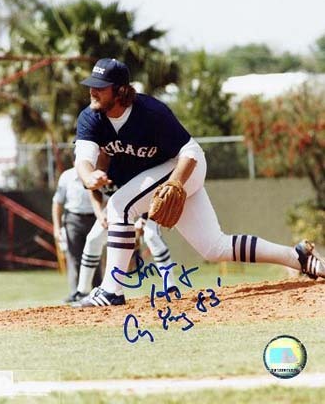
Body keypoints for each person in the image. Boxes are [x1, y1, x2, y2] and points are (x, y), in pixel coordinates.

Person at [74, 57, 325, 307]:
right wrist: (88, 176)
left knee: (120, 206)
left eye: (100, 86)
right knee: (214, 248)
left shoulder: (150, 113)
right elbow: (83, 159)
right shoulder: (91, 118)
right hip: (158, 179)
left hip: (185, 169)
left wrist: (174, 184)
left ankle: (110, 291)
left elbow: (191, 152)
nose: (92, 91)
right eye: (92, 85)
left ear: (120, 90)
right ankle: (298, 258)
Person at [74, 188, 178, 306]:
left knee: (151, 235)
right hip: (119, 204)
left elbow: (148, 188)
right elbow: (92, 189)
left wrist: (143, 221)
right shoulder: (93, 173)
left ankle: (170, 287)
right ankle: (81, 292)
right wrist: (99, 213)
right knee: (93, 238)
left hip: (149, 200)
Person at [52, 165, 99, 302]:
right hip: (73, 219)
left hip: (94, 218)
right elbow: (57, 203)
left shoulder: (96, 175)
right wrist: (57, 228)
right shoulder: (66, 176)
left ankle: (98, 291)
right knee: (74, 258)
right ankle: (76, 294)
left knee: (94, 256)